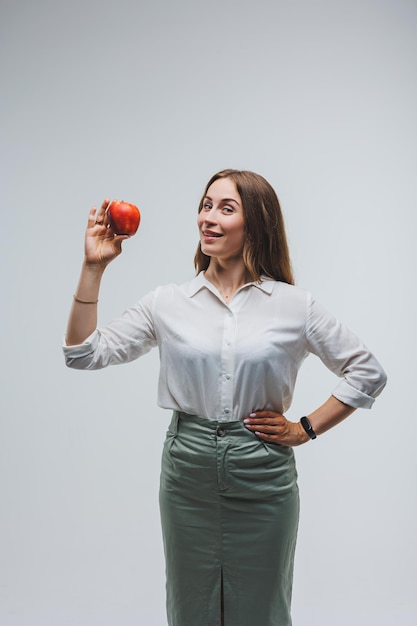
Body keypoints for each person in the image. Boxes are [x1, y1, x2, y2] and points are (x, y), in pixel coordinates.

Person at [63, 169, 387, 626]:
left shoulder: (295, 306)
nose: (207, 218)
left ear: (256, 223)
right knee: (190, 608)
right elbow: (83, 354)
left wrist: (304, 429)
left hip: (263, 471)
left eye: (225, 208)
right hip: (187, 471)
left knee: (262, 610)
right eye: (205, 205)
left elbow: (367, 371)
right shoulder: (168, 302)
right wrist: (93, 268)